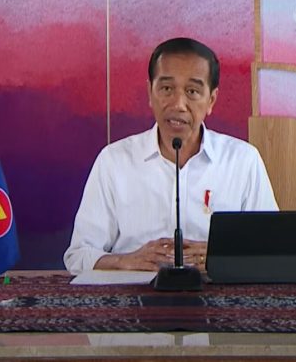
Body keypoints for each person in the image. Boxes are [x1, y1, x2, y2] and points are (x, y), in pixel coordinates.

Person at [64, 37, 279, 274]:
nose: (178, 104)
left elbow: (274, 250)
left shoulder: (243, 161)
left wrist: (223, 256)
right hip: (134, 294)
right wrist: (126, 261)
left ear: (211, 100)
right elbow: (78, 256)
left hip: (216, 293)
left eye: (192, 91)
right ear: (150, 92)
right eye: (167, 89)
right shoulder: (114, 161)